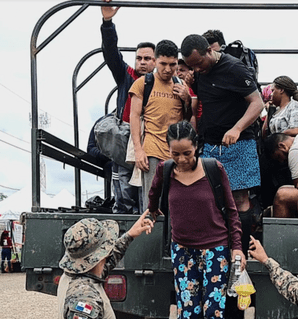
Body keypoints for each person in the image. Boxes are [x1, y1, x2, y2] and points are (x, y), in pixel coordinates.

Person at [147, 122, 245, 319]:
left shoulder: (214, 169)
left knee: (213, 313)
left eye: (186, 153)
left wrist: (237, 247)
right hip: (183, 252)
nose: (181, 159)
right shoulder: (165, 170)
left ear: (197, 148)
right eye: (175, 153)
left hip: (216, 250)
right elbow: (154, 195)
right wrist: (151, 212)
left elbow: (231, 211)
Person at [181, 34, 264, 253]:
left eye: (199, 64)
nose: (197, 70)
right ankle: (214, 248)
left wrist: (237, 128)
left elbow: (258, 103)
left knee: (239, 200)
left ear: (209, 50)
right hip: (210, 145)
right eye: (192, 67)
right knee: (208, 198)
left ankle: (242, 250)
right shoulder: (200, 73)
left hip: (239, 144)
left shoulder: (234, 68)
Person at [57, 211, 153, 319]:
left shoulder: (73, 276)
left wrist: (129, 235)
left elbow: (103, 264)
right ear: (101, 255)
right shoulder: (85, 298)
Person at [101, 0, 156, 213]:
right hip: (125, 141)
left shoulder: (163, 83)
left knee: (148, 196)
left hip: (151, 140)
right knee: (123, 194)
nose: (142, 62)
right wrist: (108, 22)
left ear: (156, 61)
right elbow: (111, 53)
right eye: (139, 58)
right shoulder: (127, 76)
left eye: (147, 58)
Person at [128, 39, 192, 210]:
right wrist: (138, 151)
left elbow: (187, 119)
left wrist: (187, 99)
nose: (167, 69)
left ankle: (172, 237)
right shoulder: (143, 83)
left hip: (176, 152)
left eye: (172, 64)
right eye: (163, 64)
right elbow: (133, 117)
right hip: (152, 150)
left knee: (176, 203)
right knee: (151, 203)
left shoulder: (180, 84)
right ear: (155, 61)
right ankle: (152, 236)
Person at [263, 132, 298, 217]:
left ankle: (280, 230)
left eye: (278, 156)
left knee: (282, 195)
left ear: (281, 146)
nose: (282, 161)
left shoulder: (295, 150)